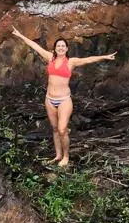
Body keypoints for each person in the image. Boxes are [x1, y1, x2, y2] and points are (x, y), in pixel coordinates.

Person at [11, 27, 117, 168]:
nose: (60, 48)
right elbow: (34, 46)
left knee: (62, 129)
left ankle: (66, 156)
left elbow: (88, 60)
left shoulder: (71, 62)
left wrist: (104, 57)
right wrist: (20, 35)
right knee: (55, 129)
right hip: (49, 99)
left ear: (66, 49)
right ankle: (58, 155)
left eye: (63, 46)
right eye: (58, 46)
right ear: (55, 48)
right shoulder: (50, 57)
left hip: (64, 100)